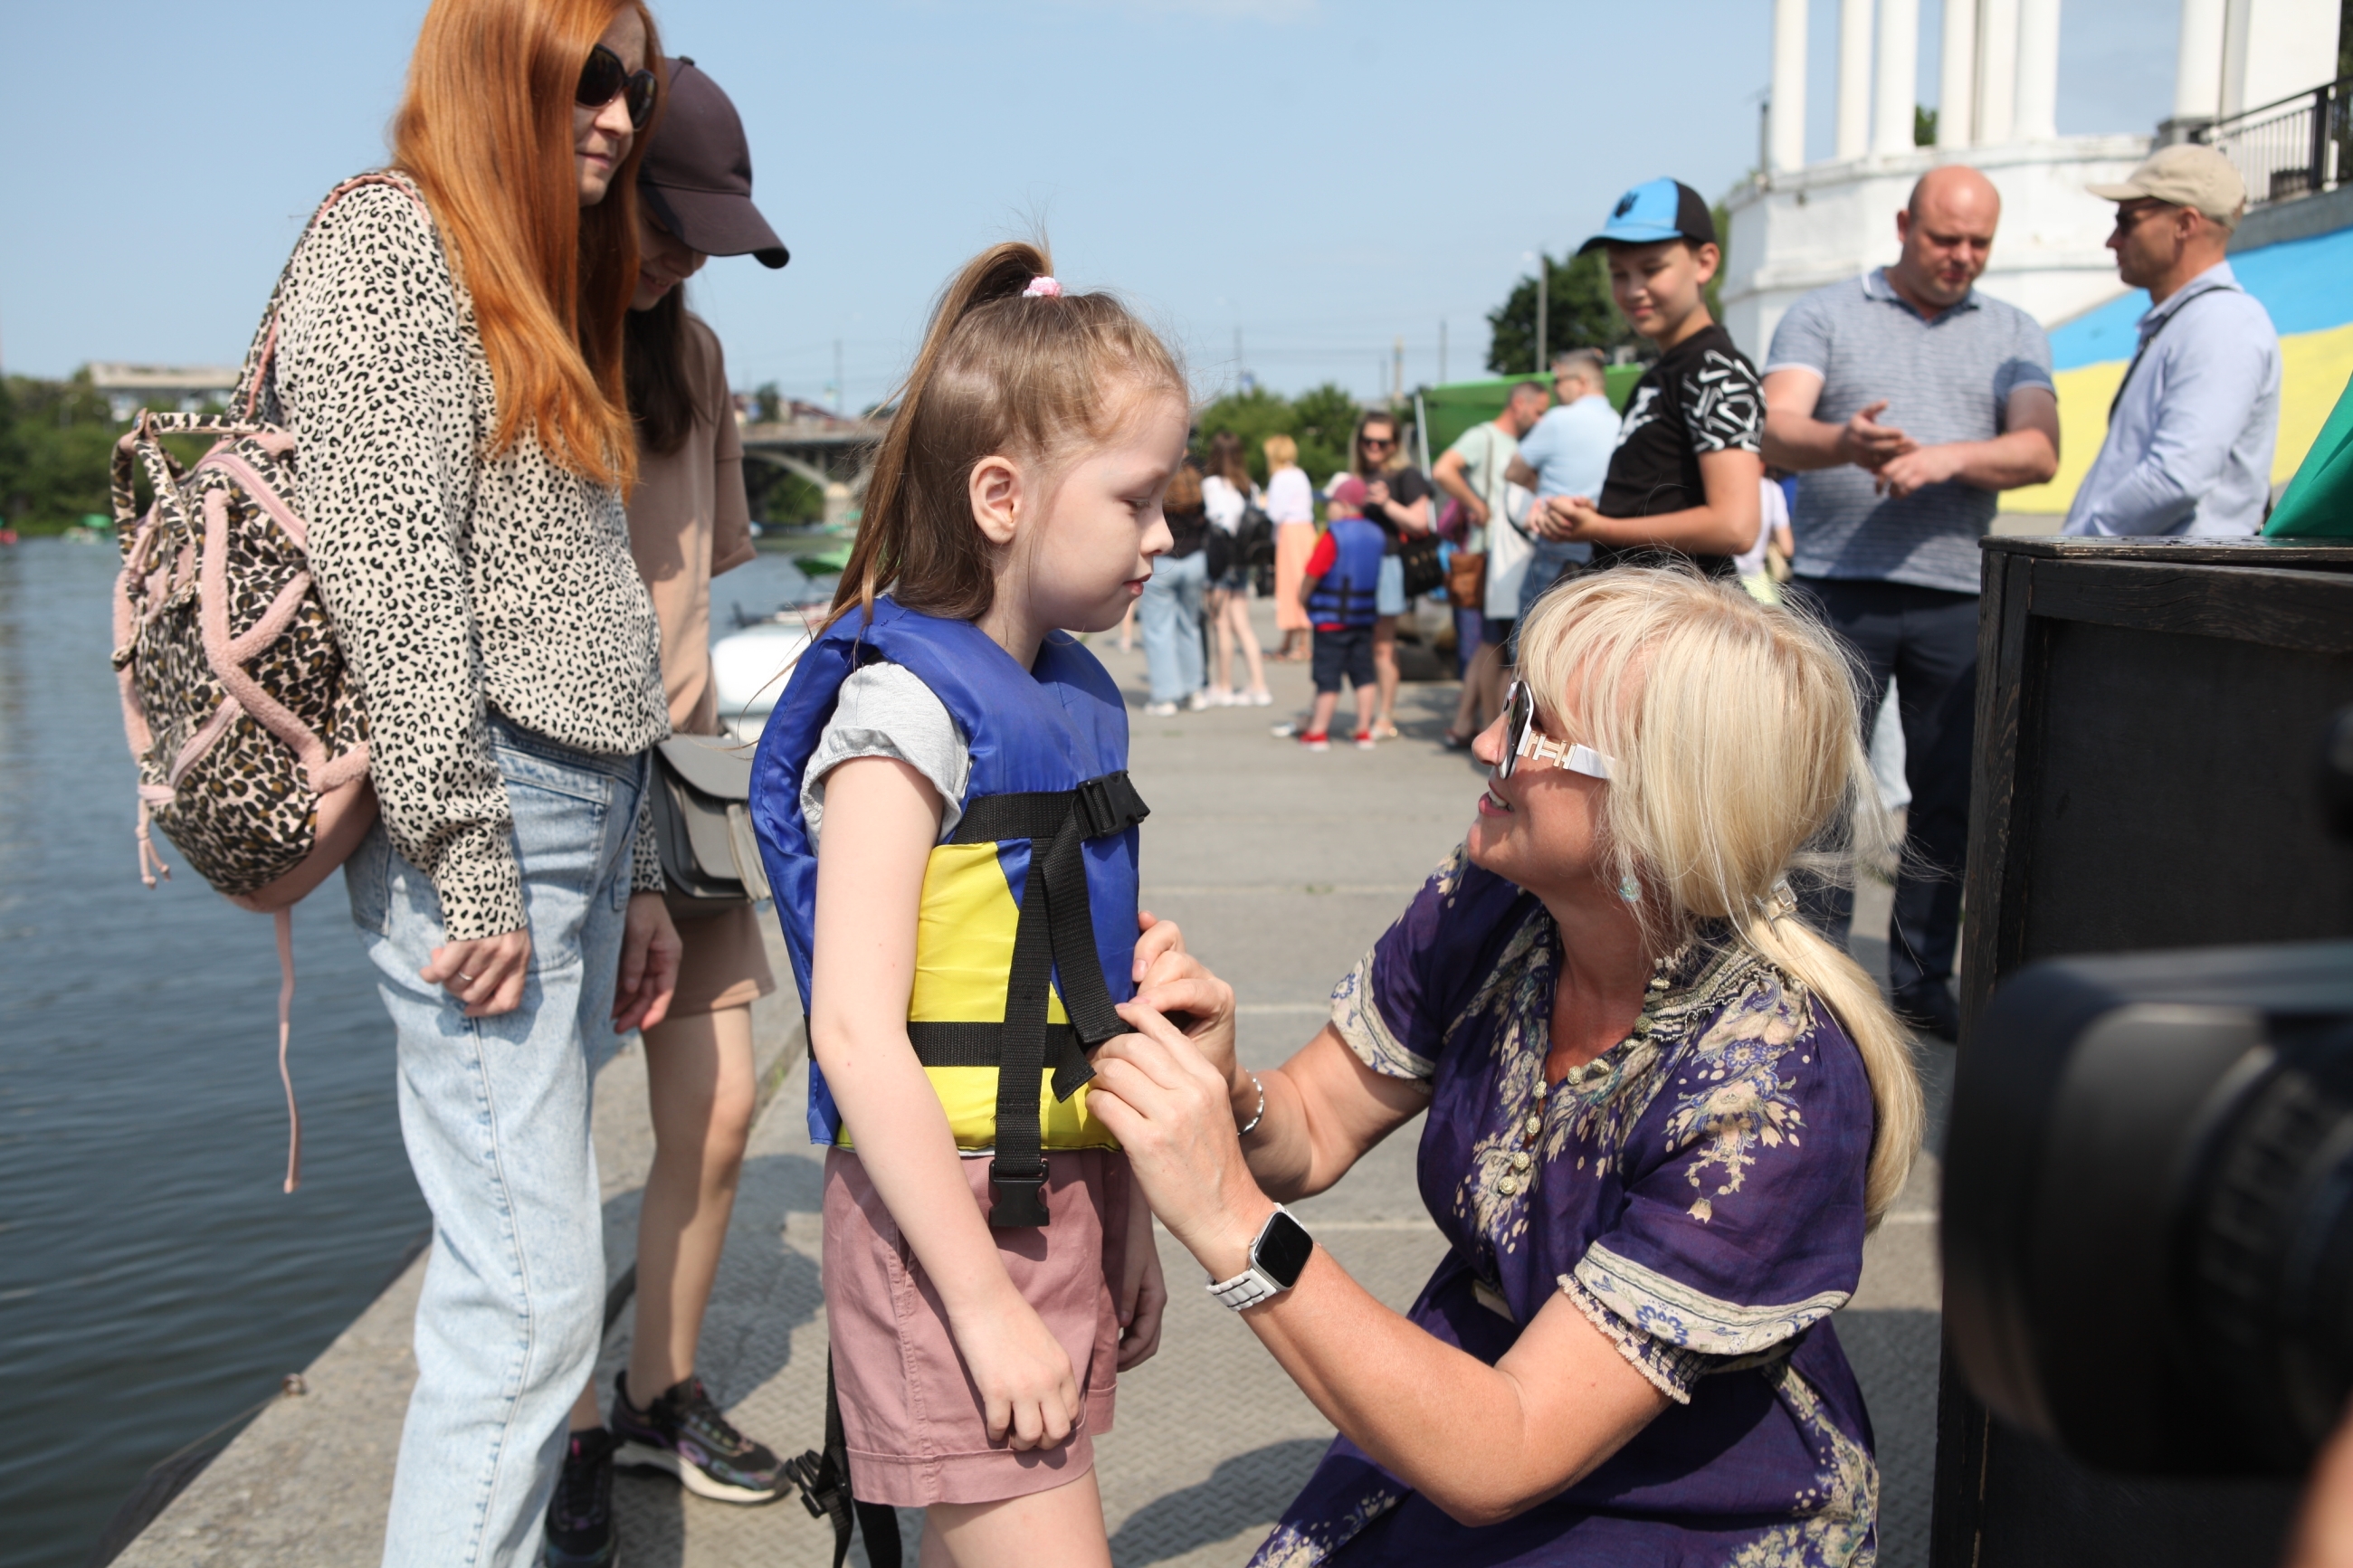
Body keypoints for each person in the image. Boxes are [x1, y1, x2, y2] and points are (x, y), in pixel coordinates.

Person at [1088, 567, 1925, 1564]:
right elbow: (1310, 1125)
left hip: (1693, 1486)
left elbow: (1508, 1450)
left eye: (1530, 721)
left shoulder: (1770, 1089)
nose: (1485, 739)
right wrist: (1232, 1097)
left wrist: (1228, 1216)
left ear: (1661, 797)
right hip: (1473, 1394)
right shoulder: (1491, 901)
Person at [273, 3, 682, 1561]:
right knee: (528, 1300)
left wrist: (639, 863)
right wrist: (471, 856)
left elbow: (579, 597)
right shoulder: (391, 247)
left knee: (525, 1287)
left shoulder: (533, 273)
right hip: (492, 822)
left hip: (577, 815)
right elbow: (393, 586)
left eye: (635, 83)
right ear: (495, 60)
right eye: (589, 71)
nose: (620, 112)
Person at [746, 243, 1173, 1568]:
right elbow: (859, 1035)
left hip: (1056, 1197)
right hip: (953, 1227)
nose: (1166, 538)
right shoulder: (904, 717)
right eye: (1138, 499)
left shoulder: (1064, 696)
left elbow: (1093, 986)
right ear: (1002, 495)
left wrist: (1136, 1209)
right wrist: (984, 1305)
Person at [545, 55, 787, 1566]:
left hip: (685, 774)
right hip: (559, 776)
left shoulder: (692, 363)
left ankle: (658, 1386)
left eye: (708, 234)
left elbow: (711, 572)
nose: (685, 254)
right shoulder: (526, 341)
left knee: (718, 1106)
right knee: (542, 1130)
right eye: (672, 220)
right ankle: (565, 1424)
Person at [1759, 164, 2059, 1041]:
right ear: (1901, 223)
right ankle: (1815, 973)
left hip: (1957, 591)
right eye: (1943, 239)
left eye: (1977, 243)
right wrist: (1842, 441)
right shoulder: (1822, 312)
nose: (1961, 257)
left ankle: (1924, 979)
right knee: (1822, 791)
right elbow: (1776, 425)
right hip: (1833, 584)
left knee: (1946, 800)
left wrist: (1946, 459)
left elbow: (2037, 448)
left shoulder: (2013, 329)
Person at [1540, 178, 1764, 581]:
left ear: (1706, 262)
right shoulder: (1661, 373)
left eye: (1652, 269)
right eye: (1618, 274)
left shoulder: (1715, 369)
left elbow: (1736, 526)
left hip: (1680, 623)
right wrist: (1592, 516)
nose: (1633, 290)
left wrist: (1601, 529)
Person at [2065, 143, 2281, 537]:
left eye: (2127, 221)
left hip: (2172, 591)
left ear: (2185, 224)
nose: (2113, 240)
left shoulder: (2221, 321)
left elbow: (2176, 477)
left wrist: (2072, 545)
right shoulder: (2193, 319)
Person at [1433, 381, 1548, 746]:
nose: (1542, 419)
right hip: (1489, 557)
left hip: (1505, 555)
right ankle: (1485, 725)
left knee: (1489, 645)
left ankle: (1468, 723)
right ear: (1519, 404)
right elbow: (1443, 470)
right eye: (1539, 410)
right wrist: (1477, 505)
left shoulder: (1520, 445)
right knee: (1494, 648)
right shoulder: (1484, 437)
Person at [1344, 411, 1435, 739]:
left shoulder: (1406, 475)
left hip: (1388, 565)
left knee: (1383, 644)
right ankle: (1365, 712)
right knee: (1359, 642)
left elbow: (1420, 522)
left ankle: (1385, 714)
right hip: (1356, 567)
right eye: (1368, 440)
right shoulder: (1356, 476)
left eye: (1382, 442)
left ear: (1395, 444)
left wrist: (1385, 503)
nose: (1374, 447)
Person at [1508, 349, 1618, 619]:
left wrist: (1538, 489)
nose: (1555, 389)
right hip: (1603, 538)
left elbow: (1513, 471)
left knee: (1533, 632)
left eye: (1558, 381)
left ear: (1581, 382)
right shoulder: (1620, 422)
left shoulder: (1558, 419)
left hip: (1558, 535)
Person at [1292, 474, 1384, 751]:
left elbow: (1313, 572)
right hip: (1363, 619)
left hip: (1331, 621)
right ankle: (1363, 731)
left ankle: (1318, 732)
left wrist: (1303, 598)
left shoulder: (1334, 534)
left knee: (1327, 677)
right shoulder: (1377, 534)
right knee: (1364, 676)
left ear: (1343, 504)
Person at [1201, 430, 1273, 707]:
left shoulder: (1212, 485)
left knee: (1221, 625)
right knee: (1243, 625)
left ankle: (1224, 686)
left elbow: (1217, 520)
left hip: (1220, 562)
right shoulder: (1250, 486)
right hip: (1243, 562)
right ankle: (1258, 685)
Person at [1140, 465, 1212, 715]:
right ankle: (1195, 691)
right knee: (1189, 626)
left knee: (1158, 630)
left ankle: (1166, 696)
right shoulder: (1198, 497)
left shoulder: (1161, 498)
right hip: (1194, 562)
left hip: (1164, 564)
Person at [1265, 433, 1316, 660]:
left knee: (1291, 585)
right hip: (1305, 530)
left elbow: (1275, 512)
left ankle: (1303, 644)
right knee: (1301, 582)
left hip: (1290, 533)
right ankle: (1290, 641)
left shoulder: (1280, 477)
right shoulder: (1299, 474)